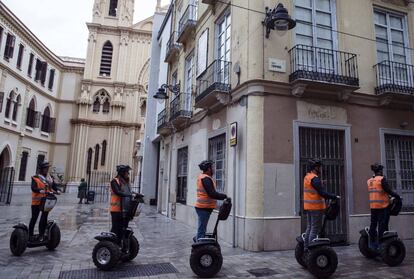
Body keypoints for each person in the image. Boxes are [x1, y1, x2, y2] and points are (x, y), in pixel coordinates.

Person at [303, 158, 338, 250]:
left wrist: (320, 183)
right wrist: (334, 196)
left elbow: (313, 188)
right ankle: (312, 249)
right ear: (315, 168)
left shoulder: (308, 177)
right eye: (319, 167)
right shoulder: (315, 179)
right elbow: (322, 193)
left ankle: (306, 248)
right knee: (314, 229)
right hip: (315, 208)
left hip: (309, 207)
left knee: (309, 227)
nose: (320, 169)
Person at [367, 163, 400, 250]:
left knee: (373, 224)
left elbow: (379, 192)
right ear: (380, 171)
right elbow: (388, 190)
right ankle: (381, 244)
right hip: (383, 206)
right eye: (382, 170)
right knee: (383, 225)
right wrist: (397, 196)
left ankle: (371, 243)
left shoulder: (369, 181)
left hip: (373, 206)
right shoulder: (381, 179)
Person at [194, 160, 227, 242]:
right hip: (203, 207)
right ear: (208, 169)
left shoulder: (203, 177)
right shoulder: (205, 178)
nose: (213, 169)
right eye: (212, 167)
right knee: (202, 229)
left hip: (203, 207)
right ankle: (199, 247)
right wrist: (224, 196)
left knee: (202, 227)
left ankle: (197, 239)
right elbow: (212, 194)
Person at [29, 161, 59, 241]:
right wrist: (39, 190)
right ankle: (30, 235)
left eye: (47, 168)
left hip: (46, 202)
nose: (46, 170)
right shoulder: (36, 177)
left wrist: (58, 190)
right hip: (36, 202)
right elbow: (33, 187)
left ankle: (41, 235)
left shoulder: (50, 178)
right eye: (45, 168)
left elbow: (54, 186)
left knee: (44, 218)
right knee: (34, 218)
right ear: (41, 169)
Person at [110, 165, 132, 248]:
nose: (128, 174)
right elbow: (117, 192)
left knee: (123, 229)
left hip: (124, 209)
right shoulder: (114, 181)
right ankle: (112, 245)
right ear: (122, 173)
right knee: (116, 229)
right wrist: (128, 195)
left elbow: (129, 192)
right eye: (127, 172)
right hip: (116, 210)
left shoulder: (126, 182)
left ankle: (120, 244)